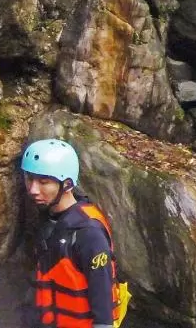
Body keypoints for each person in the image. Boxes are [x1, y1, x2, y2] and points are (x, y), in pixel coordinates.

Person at [22, 139, 124, 328]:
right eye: (29, 179)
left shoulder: (88, 232)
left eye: (43, 182)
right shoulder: (48, 217)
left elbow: (102, 301)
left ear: (67, 184)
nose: (33, 189)